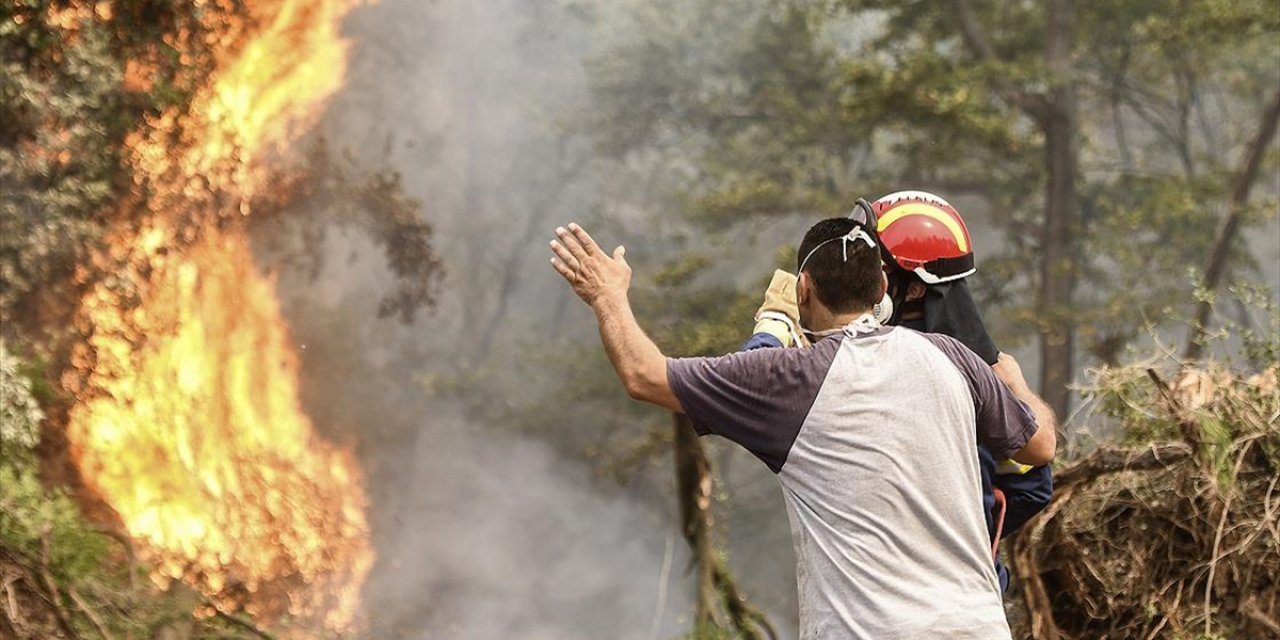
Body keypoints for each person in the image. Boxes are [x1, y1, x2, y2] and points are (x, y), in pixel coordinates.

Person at [549, 217, 1056, 639]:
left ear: (804, 289)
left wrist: (607, 295)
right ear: (881, 289)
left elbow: (643, 376)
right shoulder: (953, 357)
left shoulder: (791, 380)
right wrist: (1013, 380)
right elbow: (1041, 447)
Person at [748, 191, 1053, 591]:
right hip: (970, 595)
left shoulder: (872, 367)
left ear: (912, 289)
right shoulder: (977, 372)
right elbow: (1033, 485)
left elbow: (755, 385)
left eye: (873, 266)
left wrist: (775, 326)